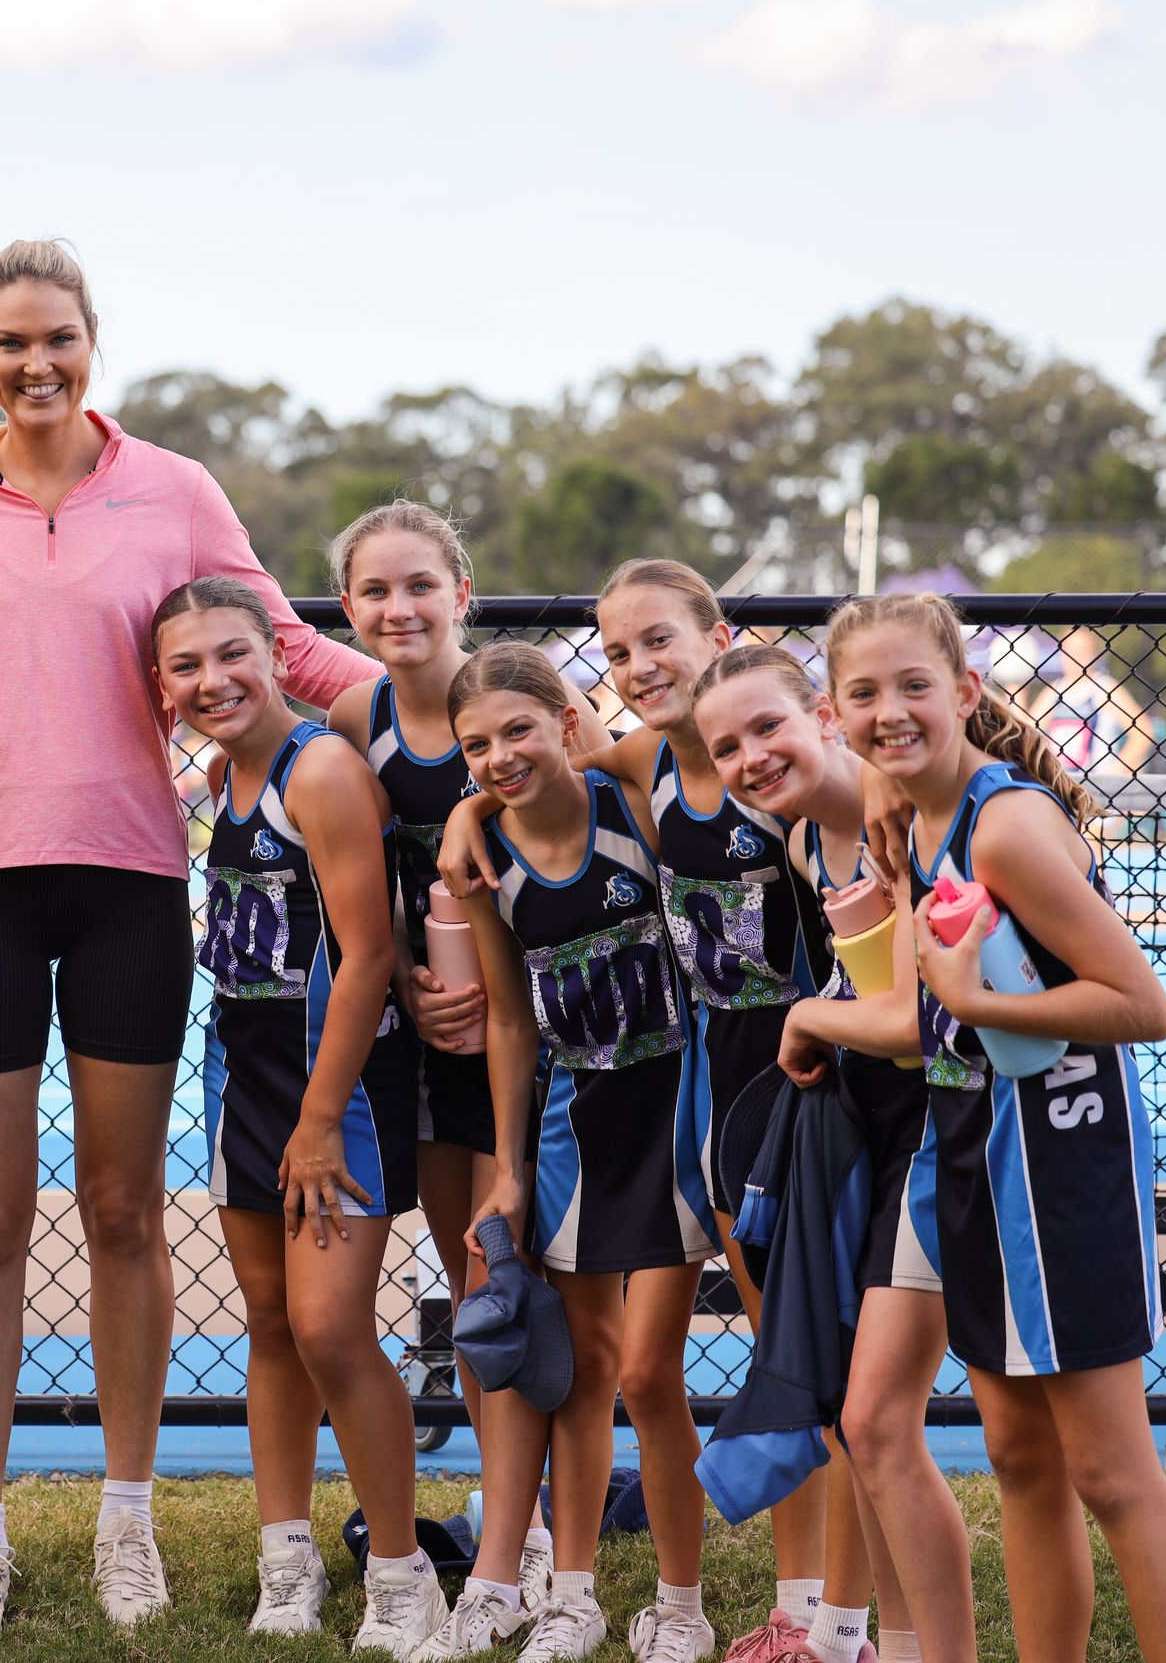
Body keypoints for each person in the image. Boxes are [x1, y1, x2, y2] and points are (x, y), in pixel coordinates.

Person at [0, 239, 374, 1647]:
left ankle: (127, 1516)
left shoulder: (176, 489)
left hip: (131, 883)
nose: (36, 363)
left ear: (93, 340)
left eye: (59, 338)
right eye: (12, 341)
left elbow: (286, 645)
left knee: (124, 1211)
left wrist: (441, 701)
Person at [450, 560, 836, 1658]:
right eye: (617, 650)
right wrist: (468, 807)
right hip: (708, 1098)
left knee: (791, 1352)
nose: (639, 665)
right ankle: (683, 1603)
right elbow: (533, 762)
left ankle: (813, 1608)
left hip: (801, 1080)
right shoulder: (643, 767)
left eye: (658, 638)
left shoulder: (775, 771)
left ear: (719, 634)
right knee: (640, 1369)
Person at [830, 591, 1166, 1663]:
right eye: (863, 693)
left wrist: (972, 996)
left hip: (1062, 1153)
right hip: (970, 1147)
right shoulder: (915, 816)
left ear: (965, 691)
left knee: (1113, 1472)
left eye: (914, 686)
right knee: (1017, 1456)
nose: (889, 710)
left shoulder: (1005, 827)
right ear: (836, 710)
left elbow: (1141, 1005)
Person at [154, 576, 441, 1657]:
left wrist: (320, 1119)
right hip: (244, 1072)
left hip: (339, 1085)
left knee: (329, 1328)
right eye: (185, 665)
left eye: (231, 653)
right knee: (270, 1324)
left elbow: (366, 955)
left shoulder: (317, 769)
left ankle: (401, 1573)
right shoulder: (222, 776)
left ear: (276, 653)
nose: (212, 680)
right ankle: (287, 1556)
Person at [320, 501, 576, 1639]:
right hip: (427, 1045)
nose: (399, 608)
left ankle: (532, 1549)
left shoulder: (512, 703)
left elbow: (578, 795)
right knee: (476, 1296)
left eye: (419, 584)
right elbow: (355, 880)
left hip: (527, 1035)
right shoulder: (354, 715)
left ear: (460, 592)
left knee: (511, 1277)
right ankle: (513, 1532)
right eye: (375, 591)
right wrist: (408, 981)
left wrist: (474, 800)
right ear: (347, 608)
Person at [693, 644, 971, 1663]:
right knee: (867, 1423)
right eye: (726, 747)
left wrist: (807, 1015)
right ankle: (883, 1641)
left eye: (768, 726)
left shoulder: (899, 821)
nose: (751, 756)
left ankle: (912, 1644)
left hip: (944, 1135)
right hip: (875, 1135)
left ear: (820, 714)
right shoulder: (811, 836)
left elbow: (907, 1023)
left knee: (887, 1422)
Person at [440, 643, 707, 1663]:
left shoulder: (630, 806)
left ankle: (681, 1606)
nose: (500, 756)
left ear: (564, 720)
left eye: (518, 728)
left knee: (650, 1372)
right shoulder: (486, 858)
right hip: (575, 1124)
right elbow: (511, 1020)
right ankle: (573, 1596)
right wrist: (510, 1166)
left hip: (677, 1108)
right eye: (476, 746)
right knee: (584, 1367)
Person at [1019, 625, 1153, 774]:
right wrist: (1017, 695)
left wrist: (1116, 770)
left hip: (1097, 781)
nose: (1073, 657)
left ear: (1094, 655)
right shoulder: (1054, 691)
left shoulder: (1104, 688)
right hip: (1063, 780)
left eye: (1081, 651)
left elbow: (1143, 732)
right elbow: (1027, 734)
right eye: (1068, 650)